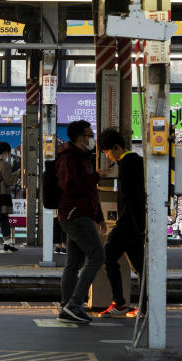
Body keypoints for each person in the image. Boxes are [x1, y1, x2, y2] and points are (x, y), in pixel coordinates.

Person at [55, 120, 103, 324]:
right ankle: (74, 304)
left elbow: (90, 191)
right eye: (88, 134)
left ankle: (68, 307)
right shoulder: (69, 158)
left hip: (79, 213)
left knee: (73, 263)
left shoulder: (81, 157)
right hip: (75, 214)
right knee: (97, 256)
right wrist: (96, 177)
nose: (91, 137)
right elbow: (71, 186)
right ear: (78, 137)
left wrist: (99, 217)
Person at [97, 129, 142, 318]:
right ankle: (144, 306)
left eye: (107, 151)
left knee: (108, 256)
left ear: (116, 147)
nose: (107, 155)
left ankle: (120, 303)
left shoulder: (127, 164)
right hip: (134, 223)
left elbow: (130, 198)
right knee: (140, 266)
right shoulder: (136, 161)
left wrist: (137, 226)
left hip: (128, 223)